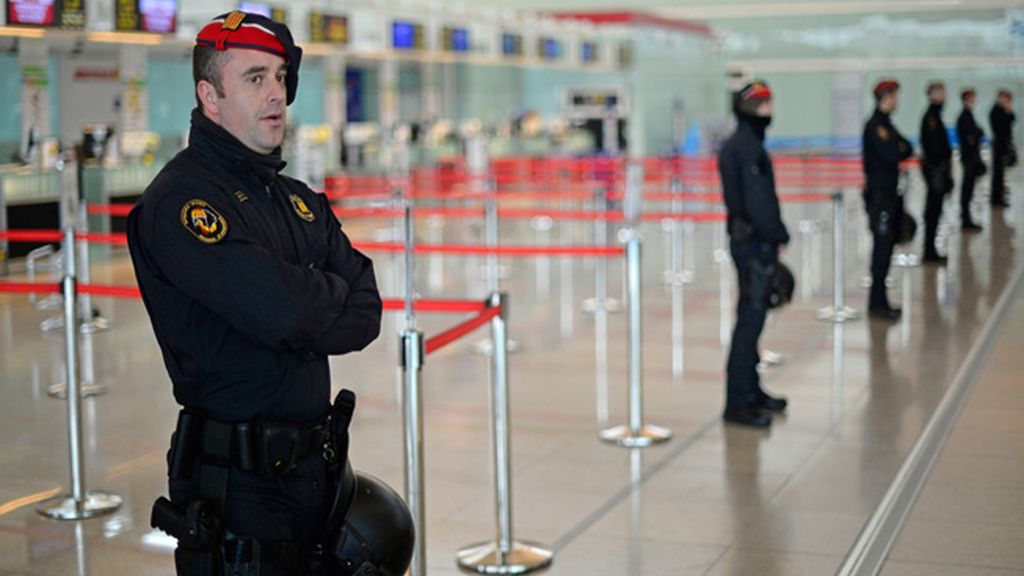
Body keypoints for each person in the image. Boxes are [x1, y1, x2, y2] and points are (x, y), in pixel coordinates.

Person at [127, 12, 385, 575]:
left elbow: (366, 310)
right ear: (209, 96)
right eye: (254, 78)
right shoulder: (182, 202)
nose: (277, 94)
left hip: (316, 470)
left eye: (279, 77)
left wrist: (302, 297)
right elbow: (284, 312)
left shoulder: (296, 198)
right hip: (236, 486)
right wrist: (315, 295)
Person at [718, 80, 789, 428]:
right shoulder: (746, 147)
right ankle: (737, 401)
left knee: (753, 317)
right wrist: (778, 232)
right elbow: (758, 201)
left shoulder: (746, 143)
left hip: (750, 240)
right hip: (753, 243)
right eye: (763, 107)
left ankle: (751, 389)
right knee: (750, 319)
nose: (769, 113)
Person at [863, 79, 913, 320]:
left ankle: (880, 300)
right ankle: (876, 304)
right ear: (887, 97)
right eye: (895, 97)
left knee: (886, 249)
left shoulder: (887, 125)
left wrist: (901, 149)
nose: (897, 102)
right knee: (881, 252)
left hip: (889, 197)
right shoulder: (876, 127)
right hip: (880, 198)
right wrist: (899, 149)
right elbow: (894, 152)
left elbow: (907, 147)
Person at [920, 81, 953, 264]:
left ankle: (931, 250)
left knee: (935, 210)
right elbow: (934, 148)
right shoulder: (931, 118)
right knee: (933, 211)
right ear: (933, 95)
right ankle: (929, 251)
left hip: (938, 171)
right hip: (935, 171)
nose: (944, 96)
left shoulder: (936, 116)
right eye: (941, 93)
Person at [956, 88, 985, 231]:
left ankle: (966, 218)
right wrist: (977, 135)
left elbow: (978, 133)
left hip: (970, 157)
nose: (974, 100)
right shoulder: (964, 117)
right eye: (971, 98)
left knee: (969, 189)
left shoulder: (968, 115)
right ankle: (965, 219)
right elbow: (972, 137)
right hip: (969, 159)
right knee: (967, 189)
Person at [990, 88, 1016, 208]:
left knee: (1001, 172)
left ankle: (999, 195)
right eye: (1005, 98)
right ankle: (996, 198)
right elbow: (1002, 126)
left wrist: (1009, 111)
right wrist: (1007, 112)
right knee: (997, 173)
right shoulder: (995, 111)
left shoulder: (1003, 110)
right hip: (998, 144)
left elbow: (1012, 119)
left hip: (1004, 144)